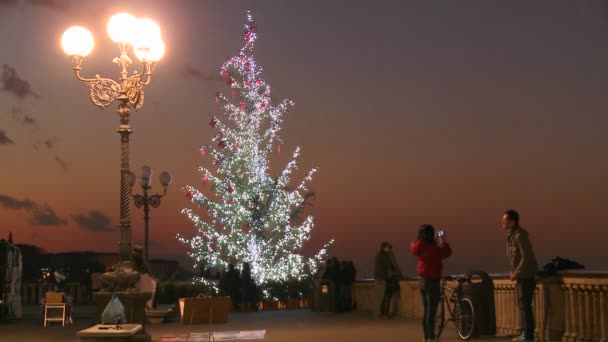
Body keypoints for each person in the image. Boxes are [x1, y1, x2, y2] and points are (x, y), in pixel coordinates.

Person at [411, 224, 452, 342]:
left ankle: (426, 336)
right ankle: (431, 337)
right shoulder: (433, 248)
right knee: (431, 312)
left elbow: (416, 246)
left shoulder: (418, 246)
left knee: (426, 311)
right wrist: (442, 239)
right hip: (432, 281)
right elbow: (447, 252)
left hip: (422, 281)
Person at [503, 209, 538, 342]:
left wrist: (516, 273)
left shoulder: (520, 236)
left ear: (512, 222)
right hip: (521, 276)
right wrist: (513, 272)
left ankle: (528, 335)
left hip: (526, 276)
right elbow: (515, 257)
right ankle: (525, 333)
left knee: (525, 305)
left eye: (505, 220)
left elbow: (527, 256)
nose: (502, 223)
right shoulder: (512, 236)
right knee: (523, 305)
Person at [374, 242, 401, 319]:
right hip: (382, 278)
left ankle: (381, 314)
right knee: (384, 297)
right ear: (384, 248)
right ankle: (382, 314)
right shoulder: (383, 256)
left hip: (380, 278)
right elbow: (389, 266)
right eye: (388, 248)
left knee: (383, 297)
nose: (389, 249)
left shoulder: (380, 255)